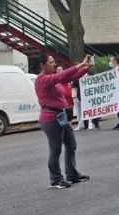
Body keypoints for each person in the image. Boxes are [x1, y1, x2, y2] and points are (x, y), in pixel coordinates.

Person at [30, 54, 92, 189]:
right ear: (42, 65)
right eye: (50, 62)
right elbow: (60, 76)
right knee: (56, 149)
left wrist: (86, 68)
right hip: (50, 118)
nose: (53, 64)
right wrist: (81, 64)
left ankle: (72, 174)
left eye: (53, 62)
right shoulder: (42, 80)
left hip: (61, 116)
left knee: (71, 145)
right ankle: (56, 179)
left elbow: (70, 77)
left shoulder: (52, 78)